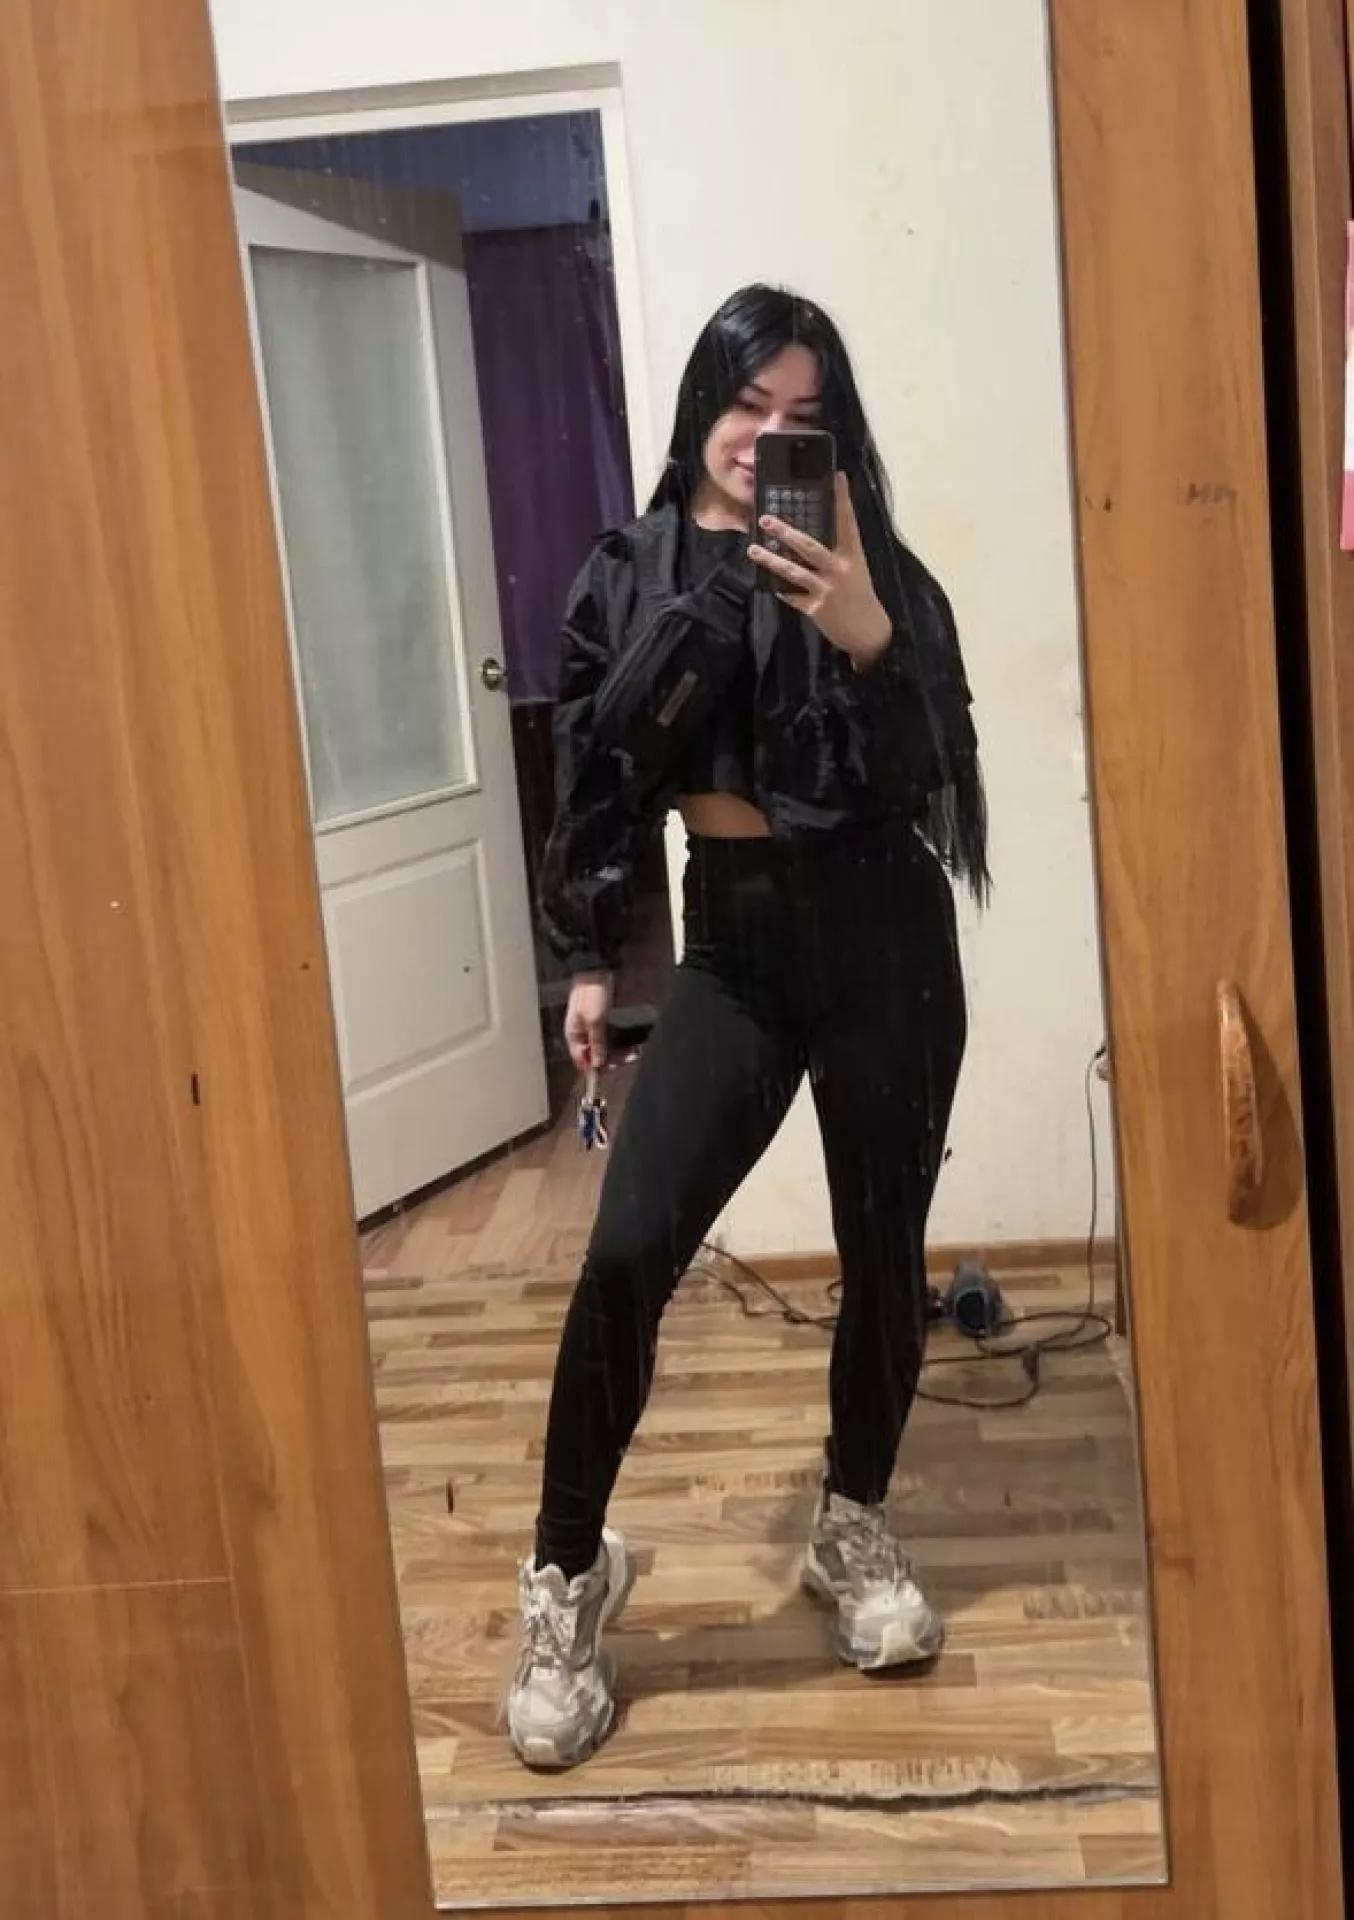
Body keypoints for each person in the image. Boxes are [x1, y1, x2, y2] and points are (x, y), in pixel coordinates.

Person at [507, 285, 988, 1770]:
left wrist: (863, 632)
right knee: (625, 1255)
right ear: (701, 406)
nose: (766, 434)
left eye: (802, 415)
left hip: (885, 939)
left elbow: (942, 768)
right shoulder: (630, 570)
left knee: (882, 1251)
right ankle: (568, 1571)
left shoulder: (875, 565)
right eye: (745, 403)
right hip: (730, 945)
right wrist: (591, 963)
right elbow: (594, 782)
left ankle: (855, 1519)